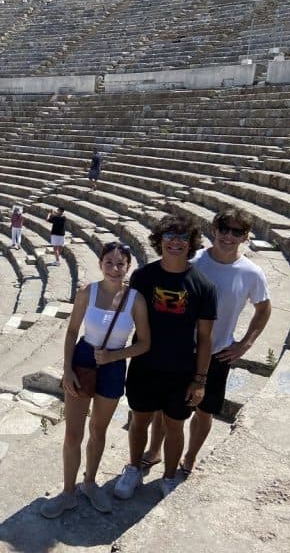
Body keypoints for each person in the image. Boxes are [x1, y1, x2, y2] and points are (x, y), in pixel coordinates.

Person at [142, 208, 271, 476]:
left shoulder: (251, 273)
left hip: (217, 353)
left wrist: (245, 344)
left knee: (204, 411)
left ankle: (189, 457)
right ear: (214, 230)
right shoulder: (195, 260)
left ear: (245, 237)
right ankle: (154, 451)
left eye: (237, 232)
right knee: (165, 409)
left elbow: (264, 308)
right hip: (180, 350)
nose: (228, 236)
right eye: (224, 229)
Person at [41, 242, 151, 518]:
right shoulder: (86, 293)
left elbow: (145, 344)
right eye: (109, 263)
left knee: (98, 430)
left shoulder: (135, 300)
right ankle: (68, 493)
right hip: (82, 361)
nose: (115, 269)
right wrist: (67, 369)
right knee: (72, 433)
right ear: (101, 264)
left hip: (113, 366)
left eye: (120, 264)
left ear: (128, 267)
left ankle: (89, 483)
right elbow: (71, 332)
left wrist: (116, 356)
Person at [114, 214, 217, 500]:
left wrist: (200, 380)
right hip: (145, 366)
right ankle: (133, 468)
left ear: (192, 243)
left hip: (181, 370)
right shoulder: (143, 277)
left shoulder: (203, 285)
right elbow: (126, 317)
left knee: (175, 425)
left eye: (183, 237)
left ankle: (169, 476)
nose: (176, 242)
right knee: (139, 421)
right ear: (159, 241)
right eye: (169, 236)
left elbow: (206, 337)